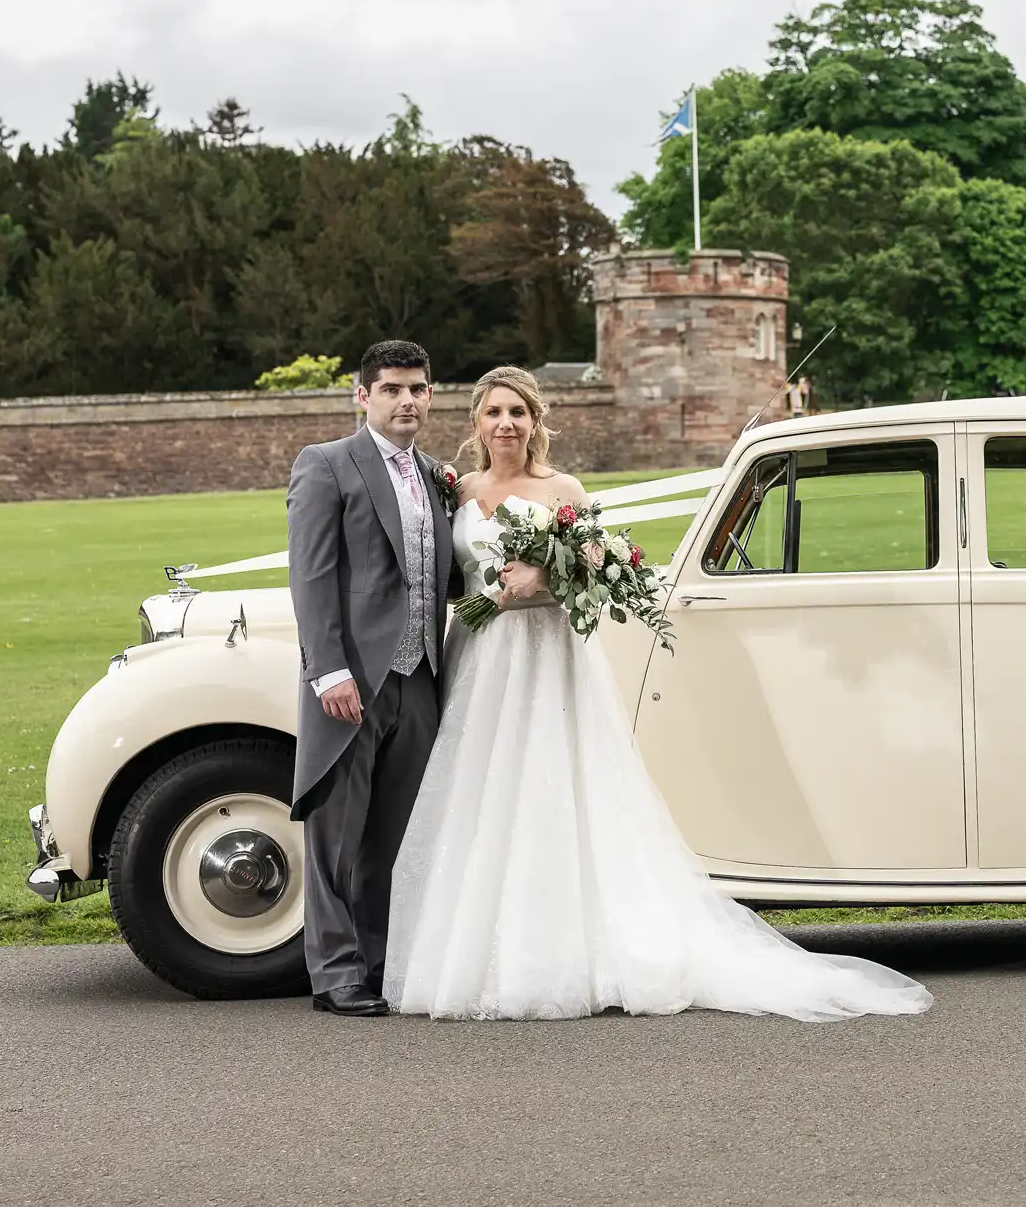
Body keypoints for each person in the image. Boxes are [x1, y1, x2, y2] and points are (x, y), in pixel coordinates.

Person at [383, 366, 931, 1022]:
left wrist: (544, 577)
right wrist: (490, 596)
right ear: (476, 422)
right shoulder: (459, 489)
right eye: (495, 412)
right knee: (480, 794)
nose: (507, 424)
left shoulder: (564, 490)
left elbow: (592, 578)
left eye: (519, 412)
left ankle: (567, 956)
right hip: (479, 659)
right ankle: (469, 951)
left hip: (546, 658)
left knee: (553, 793)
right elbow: (447, 576)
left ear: (536, 421)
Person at [286, 340, 459, 1018]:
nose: (406, 400)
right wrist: (327, 668)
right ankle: (334, 974)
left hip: (420, 676)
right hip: (350, 679)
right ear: (363, 397)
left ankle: (380, 963)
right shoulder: (327, 465)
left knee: (394, 834)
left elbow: (445, 574)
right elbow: (313, 575)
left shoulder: (439, 474)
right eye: (391, 389)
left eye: (417, 387)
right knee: (336, 834)